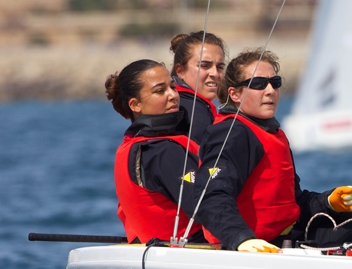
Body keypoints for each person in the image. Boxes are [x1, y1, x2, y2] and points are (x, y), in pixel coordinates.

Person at [195, 48, 352, 252]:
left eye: (275, 83)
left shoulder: (273, 134)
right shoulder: (231, 133)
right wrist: (241, 239)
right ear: (234, 93)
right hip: (255, 246)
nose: (270, 90)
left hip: (291, 236)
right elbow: (211, 196)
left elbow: (291, 202)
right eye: (259, 84)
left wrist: (328, 201)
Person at [105, 59, 205, 244]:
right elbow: (208, 208)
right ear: (135, 105)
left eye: (173, 87)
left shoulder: (129, 148)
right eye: (160, 90)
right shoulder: (163, 151)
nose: (173, 95)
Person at [170, 31, 227, 144]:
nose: (215, 73)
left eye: (220, 67)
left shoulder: (179, 103)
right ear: (180, 71)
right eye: (205, 66)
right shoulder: (194, 112)